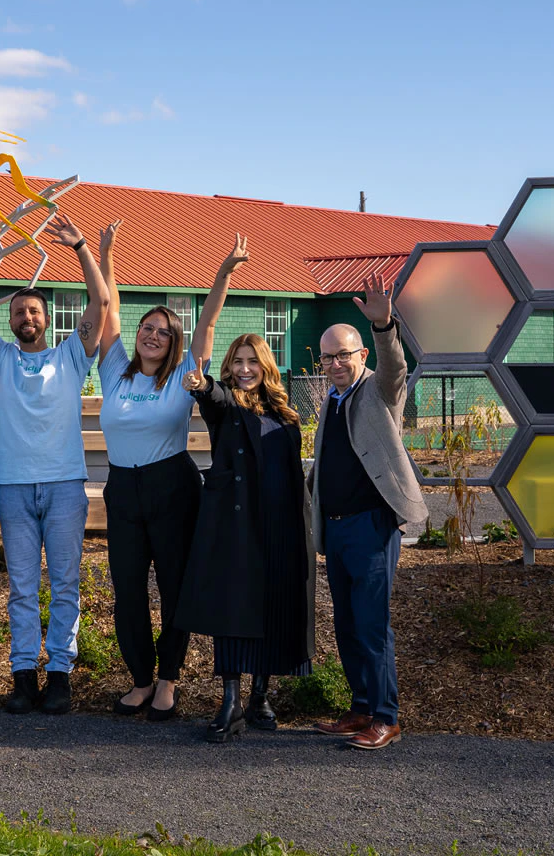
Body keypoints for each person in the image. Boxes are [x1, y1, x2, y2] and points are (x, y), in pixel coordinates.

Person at [0, 214, 108, 716]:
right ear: (12, 320)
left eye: (34, 310)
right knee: (21, 588)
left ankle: (59, 674)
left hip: (64, 488)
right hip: (15, 489)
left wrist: (81, 247)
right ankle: (22, 676)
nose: (26, 316)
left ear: (47, 319)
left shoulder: (72, 355)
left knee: (65, 586)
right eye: (19, 311)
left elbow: (101, 303)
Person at [95, 230, 246, 721]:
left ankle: (168, 681)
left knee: (174, 589)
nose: (153, 335)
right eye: (148, 327)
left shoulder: (183, 376)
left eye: (163, 331)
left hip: (172, 488)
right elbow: (108, 309)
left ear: (174, 342)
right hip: (123, 489)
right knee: (128, 592)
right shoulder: (115, 370)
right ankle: (140, 679)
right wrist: (104, 254)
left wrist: (223, 273)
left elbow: (208, 323)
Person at [307, 273, 427, 751]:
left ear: (359, 355)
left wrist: (383, 326)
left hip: (371, 528)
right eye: (328, 357)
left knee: (372, 624)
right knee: (346, 624)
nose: (335, 363)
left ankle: (385, 717)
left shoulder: (378, 390)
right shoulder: (331, 400)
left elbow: (396, 367)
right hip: (335, 530)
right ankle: (360, 707)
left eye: (343, 355)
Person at [178, 333, 315, 742]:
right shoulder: (228, 407)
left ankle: (260, 696)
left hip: (281, 524)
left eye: (252, 361)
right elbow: (212, 397)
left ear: (265, 365)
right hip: (236, 526)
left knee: (272, 607)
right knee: (234, 611)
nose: (244, 369)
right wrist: (202, 385)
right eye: (237, 361)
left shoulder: (286, 414)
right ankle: (231, 702)